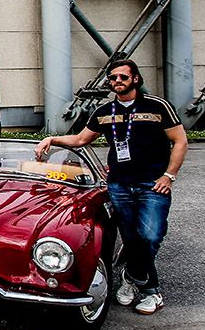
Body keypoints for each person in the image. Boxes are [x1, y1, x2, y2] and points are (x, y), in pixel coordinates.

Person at [35, 59, 187, 316]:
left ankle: (146, 287)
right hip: (119, 185)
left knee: (150, 236)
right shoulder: (104, 111)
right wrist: (52, 138)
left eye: (123, 77)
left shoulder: (158, 106)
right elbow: (82, 139)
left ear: (135, 79)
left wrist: (168, 176)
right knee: (130, 239)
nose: (117, 82)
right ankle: (137, 279)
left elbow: (180, 141)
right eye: (113, 78)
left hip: (152, 184)